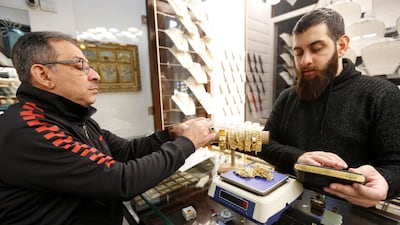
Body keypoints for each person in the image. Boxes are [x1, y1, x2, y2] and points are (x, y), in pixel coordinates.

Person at [0, 31, 217, 225]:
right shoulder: (30, 128)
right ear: (43, 75)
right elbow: (121, 180)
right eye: (79, 66)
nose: (95, 75)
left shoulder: (73, 118)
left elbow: (125, 151)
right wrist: (188, 142)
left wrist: (170, 134)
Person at [260, 8, 400, 208]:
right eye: (298, 52)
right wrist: (298, 157)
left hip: (353, 214)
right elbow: (264, 144)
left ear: (341, 45)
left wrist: (386, 181)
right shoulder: (287, 98)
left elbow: (396, 165)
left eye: (316, 48)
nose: (304, 60)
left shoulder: (382, 95)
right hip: (284, 207)